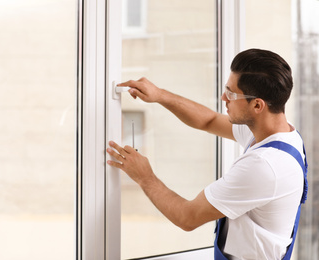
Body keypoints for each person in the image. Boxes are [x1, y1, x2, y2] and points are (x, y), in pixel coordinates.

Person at [106, 48, 308, 260]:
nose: (223, 98)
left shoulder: (265, 166)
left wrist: (144, 176)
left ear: (257, 105)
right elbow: (209, 120)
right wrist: (160, 95)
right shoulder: (279, 132)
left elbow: (188, 217)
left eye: (231, 93)